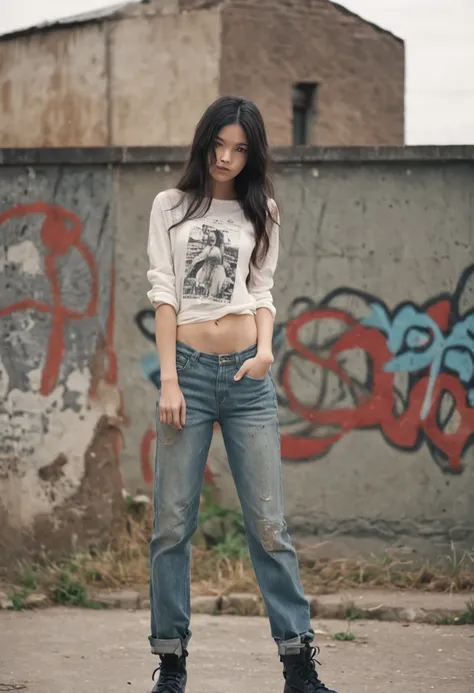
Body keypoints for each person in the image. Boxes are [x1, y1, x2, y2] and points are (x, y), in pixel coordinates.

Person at [146, 95, 338, 693]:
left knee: (269, 524)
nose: (227, 157)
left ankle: (298, 666)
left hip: (248, 380)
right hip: (189, 374)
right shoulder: (171, 206)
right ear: (203, 142)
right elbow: (164, 292)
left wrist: (263, 351)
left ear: (252, 154)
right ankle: (171, 664)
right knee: (172, 525)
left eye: (240, 149)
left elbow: (262, 292)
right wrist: (170, 380)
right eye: (219, 144)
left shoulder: (263, 211)